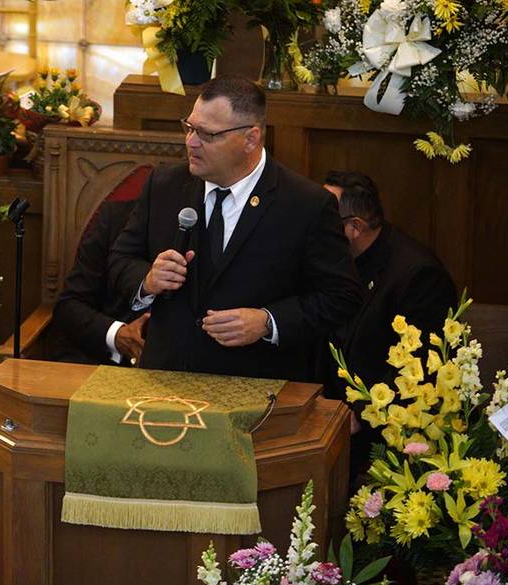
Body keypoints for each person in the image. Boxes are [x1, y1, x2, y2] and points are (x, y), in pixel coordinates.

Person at [108, 75, 362, 381]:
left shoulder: (306, 204)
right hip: (166, 380)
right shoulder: (164, 186)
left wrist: (268, 322)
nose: (191, 142)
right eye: (189, 128)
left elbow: (342, 296)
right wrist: (148, 280)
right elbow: (121, 261)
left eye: (207, 134)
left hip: (256, 385)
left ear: (251, 139)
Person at [321, 171, 457, 472]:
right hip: (325, 410)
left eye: (324, 219)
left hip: (379, 434)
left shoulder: (418, 275)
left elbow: (421, 364)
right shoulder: (333, 257)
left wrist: (359, 413)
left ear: (354, 227)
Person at [50, 199, 149, 365]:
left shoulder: (203, 227)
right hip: (99, 359)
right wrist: (116, 334)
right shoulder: (116, 218)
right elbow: (69, 305)